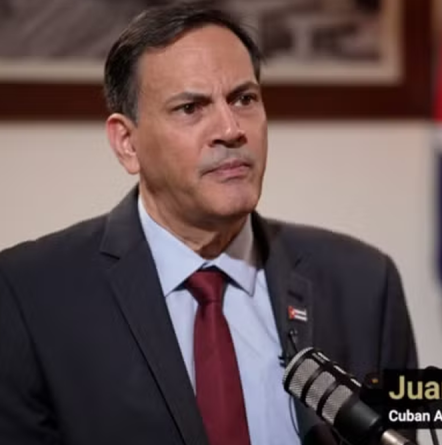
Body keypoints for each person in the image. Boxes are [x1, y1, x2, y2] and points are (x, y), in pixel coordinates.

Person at [0, 3, 417, 445]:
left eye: (244, 99)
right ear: (127, 143)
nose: (231, 129)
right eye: (190, 107)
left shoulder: (363, 284)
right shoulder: (29, 295)